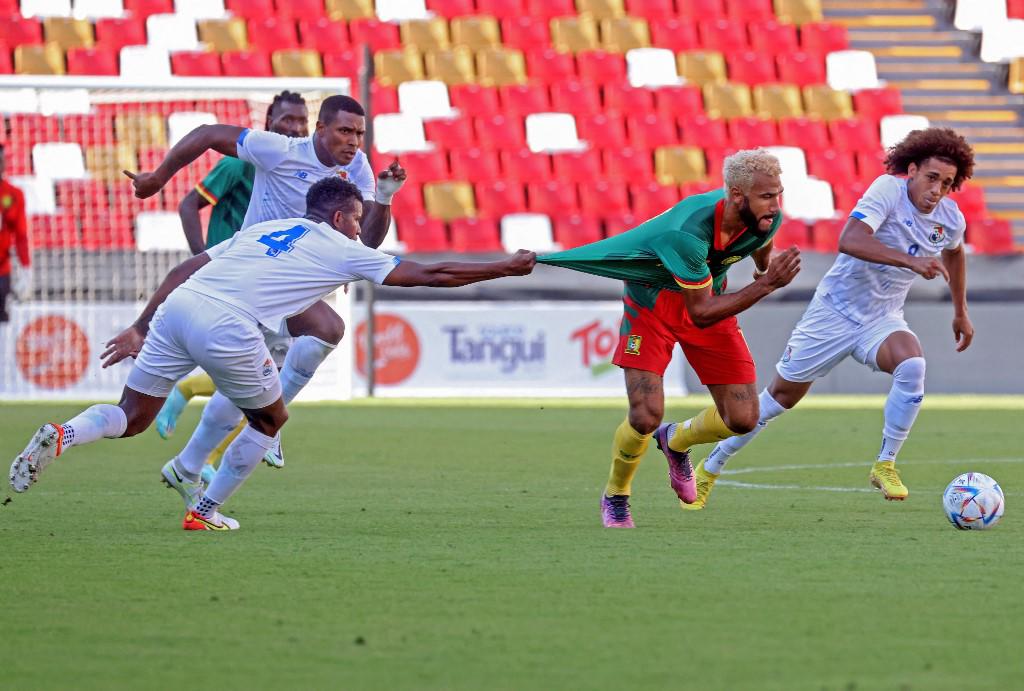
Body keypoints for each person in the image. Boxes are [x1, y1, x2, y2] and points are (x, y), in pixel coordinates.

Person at [9, 178, 536, 531]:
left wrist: (141, 326)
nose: (360, 231)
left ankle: (64, 434)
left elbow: (184, 269)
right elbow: (430, 275)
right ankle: (205, 509)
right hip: (227, 324)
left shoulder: (264, 229)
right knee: (271, 419)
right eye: (356, 220)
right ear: (338, 216)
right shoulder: (341, 244)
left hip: (179, 307)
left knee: (130, 417)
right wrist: (503, 267)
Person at [695, 128, 976, 507]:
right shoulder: (887, 191)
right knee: (778, 399)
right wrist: (911, 261)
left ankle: (885, 464)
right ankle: (712, 465)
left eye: (946, 183)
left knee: (912, 365)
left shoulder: (950, 217)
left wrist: (960, 310)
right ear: (911, 170)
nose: (937, 190)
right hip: (833, 312)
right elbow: (850, 240)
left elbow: (954, 253)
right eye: (931, 178)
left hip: (882, 318)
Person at [130, 94, 408, 474]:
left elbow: (370, 241)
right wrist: (158, 177)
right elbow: (210, 133)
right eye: (346, 130)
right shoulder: (276, 150)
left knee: (305, 348)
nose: (354, 140)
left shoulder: (357, 167)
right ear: (320, 128)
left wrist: (386, 199)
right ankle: (219, 444)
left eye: (359, 132)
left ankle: (197, 460)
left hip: (299, 282)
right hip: (253, 280)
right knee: (308, 342)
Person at [539, 149, 801, 528]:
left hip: (711, 300)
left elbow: (760, 246)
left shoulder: (765, 216)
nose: (775, 205)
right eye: (767, 197)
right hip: (654, 306)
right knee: (645, 415)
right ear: (737, 196)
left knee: (743, 419)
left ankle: (676, 439)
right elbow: (701, 312)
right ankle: (616, 495)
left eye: (778, 195)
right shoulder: (688, 234)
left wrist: (764, 267)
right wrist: (768, 284)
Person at [155, 90, 310, 469]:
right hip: (232, 276)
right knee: (274, 370)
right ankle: (214, 446)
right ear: (268, 122)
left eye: (300, 121)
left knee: (268, 369)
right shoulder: (243, 164)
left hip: (267, 277)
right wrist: (201, 257)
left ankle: (209, 453)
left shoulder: (298, 171)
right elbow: (189, 203)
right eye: (286, 120)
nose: (293, 128)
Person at [0, 144, 30, 324]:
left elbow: (21, 235)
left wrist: (26, 269)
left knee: (1, 325)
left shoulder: (13, 194)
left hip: (2, 272)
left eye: (2, 160)